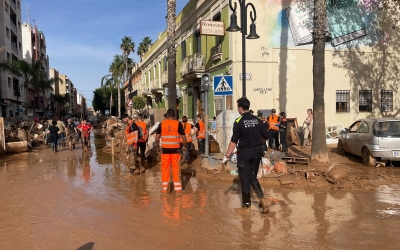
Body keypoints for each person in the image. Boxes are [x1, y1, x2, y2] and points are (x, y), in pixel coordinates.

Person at [223, 97, 269, 213]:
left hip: (244, 154)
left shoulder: (238, 121)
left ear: (240, 108)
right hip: (257, 153)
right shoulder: (258, 120)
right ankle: (263, 201)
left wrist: (227, 155)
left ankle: (246, 207)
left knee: (245, 179)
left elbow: (234, 141)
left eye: (238, 107)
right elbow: (266, 136)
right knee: (252, 176)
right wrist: (260, 142)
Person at [156, 109, 186, 193]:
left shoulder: (162, 124)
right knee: (176, 170)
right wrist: (184, 146)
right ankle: (178, 190)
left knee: (165, 169)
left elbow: (157, 137)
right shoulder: (178, 124)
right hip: (176, 151)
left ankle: (165, 189)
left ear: (167, 115)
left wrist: (157, 147)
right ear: (174, 115)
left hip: (165, 151)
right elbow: (183, 137)